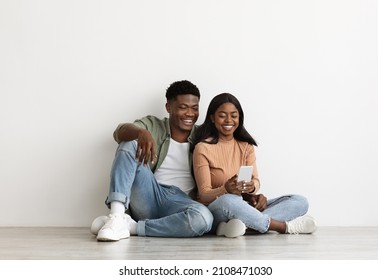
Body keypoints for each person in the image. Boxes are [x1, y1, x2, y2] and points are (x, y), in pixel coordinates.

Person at [90, 80, 214, 241]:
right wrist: (140, 132)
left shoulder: (203, 136)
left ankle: (130, 226)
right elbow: (120, 132)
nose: (190, 114)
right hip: (150, 193)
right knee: (129, 143)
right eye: (183, 107)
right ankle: (116, 215)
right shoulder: (154, 125)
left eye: (195, 108)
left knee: (203, 219)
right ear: (168, 107)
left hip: (181, 202)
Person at [192, 93, 317, 238]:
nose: (229, 120)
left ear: (239, 118)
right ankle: (283, 227)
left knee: (300, 201)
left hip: (243, 205)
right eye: (222, 115)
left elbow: (255, 180)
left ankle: (238, 226)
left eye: (234, 115)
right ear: (212, 118)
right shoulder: (202, 148)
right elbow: (204, 194)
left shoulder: (246, 146)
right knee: (229, 200)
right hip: (217, 209)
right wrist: (225, 189)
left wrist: (252, 191)